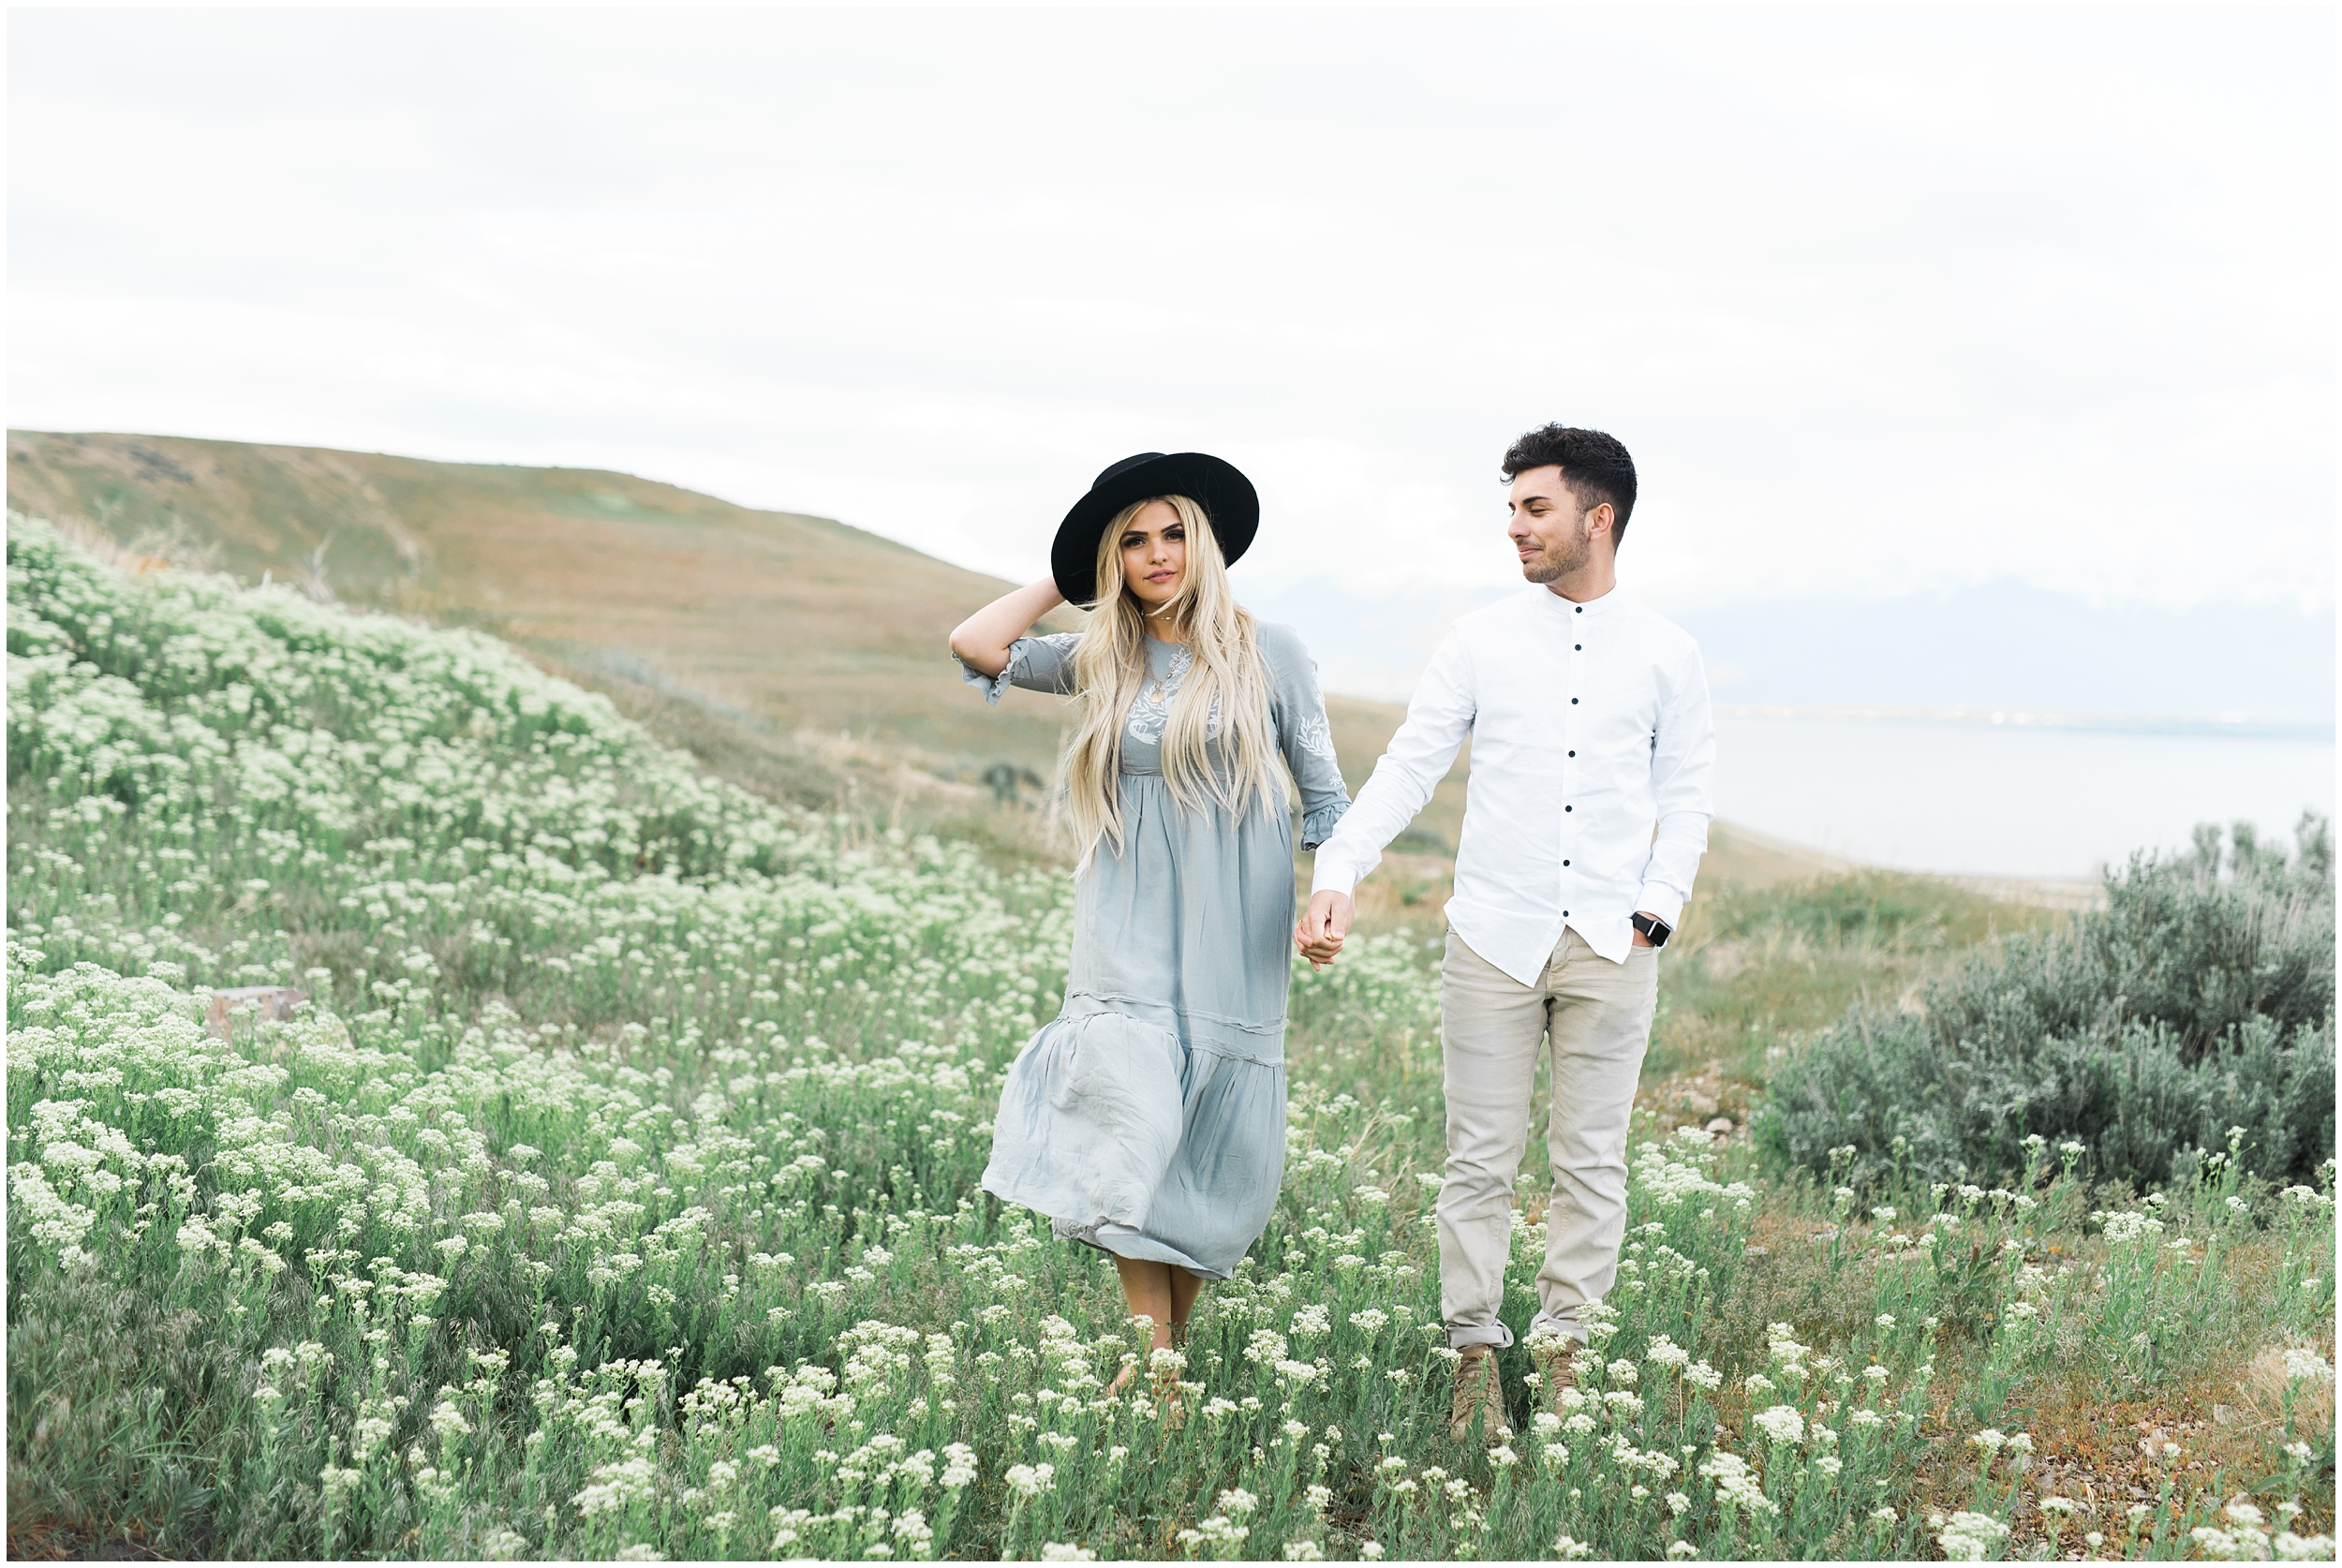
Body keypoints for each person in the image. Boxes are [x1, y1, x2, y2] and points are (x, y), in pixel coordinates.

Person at [1294, 424, 1714, 1442]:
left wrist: (1660, 904)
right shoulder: (1478, 639)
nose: (1516, 528)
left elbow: (1688, 794)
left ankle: (1568, 1353)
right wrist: (1339, 868)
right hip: (1490, 937)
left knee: (1592, 1162)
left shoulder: (1668, 651)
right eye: (1513, 509)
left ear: (1596, 517)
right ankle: (1472, 1356)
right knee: (1478, 1160)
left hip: (1616, 943)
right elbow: (1407, 765)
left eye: (1534, 508)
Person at [950, 451, 1352, 1413]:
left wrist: (1331, 896)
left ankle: (1164, 1356)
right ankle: (1157, 1364)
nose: (1156, 553)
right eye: (1132, 539)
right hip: (1124, 930)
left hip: (1235, 934)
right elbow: (977, 644)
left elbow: (1329, 798)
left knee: (1205, 1148)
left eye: (1172, 533)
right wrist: (1067, 565)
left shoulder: (1271, 652)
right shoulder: (1103, 654)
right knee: (1131, 1123)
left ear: (1203, 542)